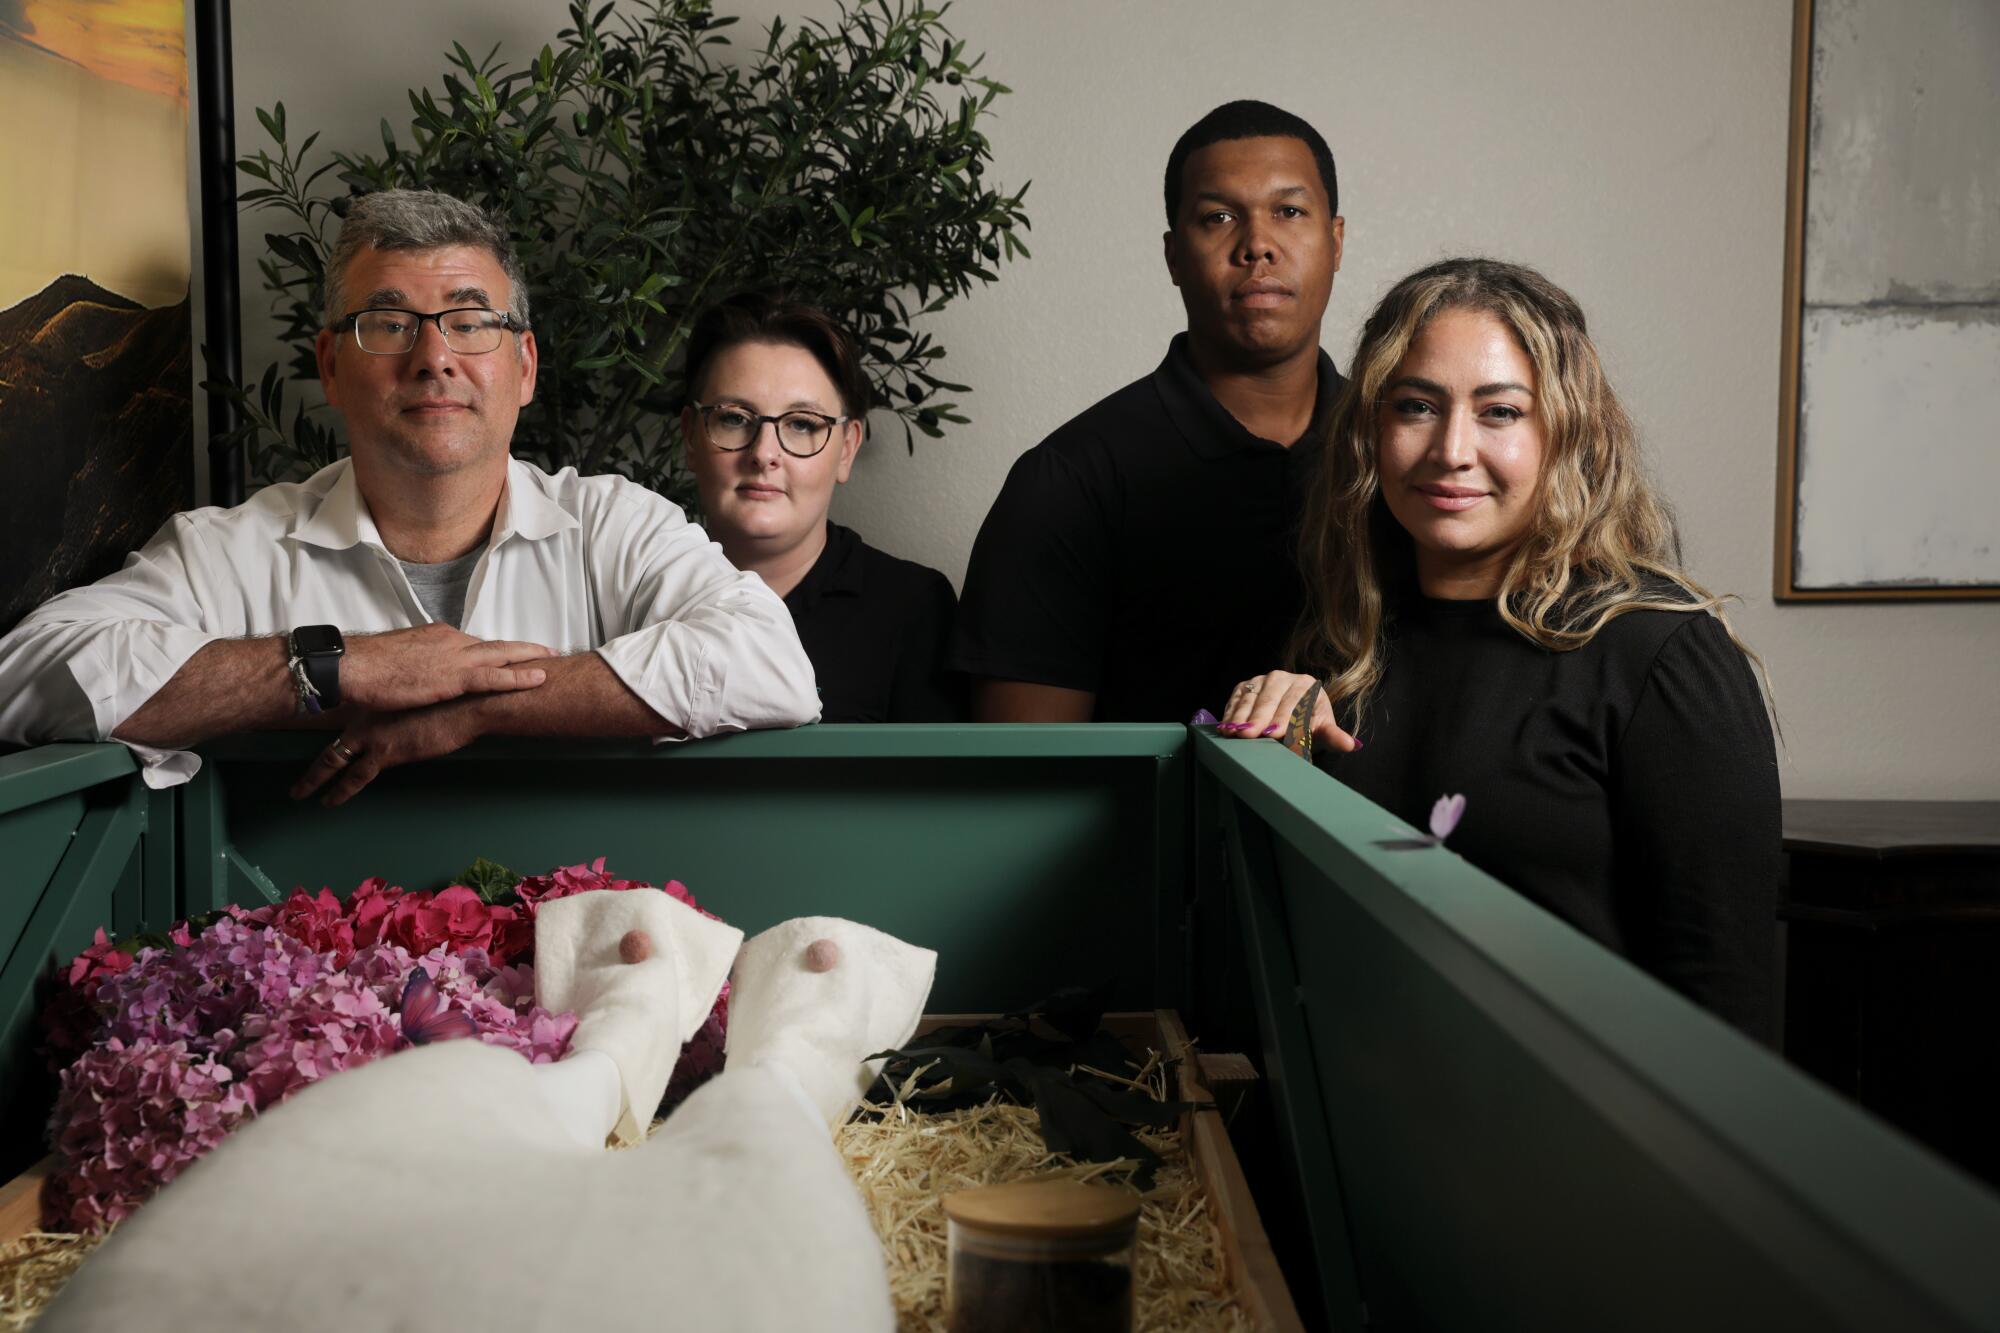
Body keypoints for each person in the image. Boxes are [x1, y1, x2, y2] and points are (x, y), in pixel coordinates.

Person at [0, 190, 819, 804]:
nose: (434, 357)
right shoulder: (234, 549)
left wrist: (476, 707)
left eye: (470, 322)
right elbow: (24, 675)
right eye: (388, 324)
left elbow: (772, 668)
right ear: (328, 367)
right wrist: (335, 667)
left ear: (524, 366)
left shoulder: (613, 525)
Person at [1217, 258, 1780, 1039]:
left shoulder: (1661, 656)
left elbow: (1731, 1015)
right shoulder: (1340, 649)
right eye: (1416, 406)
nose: (1451, 450)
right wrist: (1280, 749)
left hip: (1578, 1146)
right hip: (1374, 1134)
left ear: (1567, 431)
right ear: (1370, 432)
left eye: (1500, 412)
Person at [950, 99, 1346, 722]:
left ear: (1336, 241)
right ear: (1172, 257)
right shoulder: (1066, 481)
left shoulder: (1405, 455)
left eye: (1290, 212)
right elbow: (1027, 775)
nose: (1258, 245)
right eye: (1218, 217)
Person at [682, 293, 963, 722]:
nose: (764, 454)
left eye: (801, 424)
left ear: (847, 448)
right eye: (735, 418)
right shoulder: (625, 592)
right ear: (690, 437)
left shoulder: (911, 608)